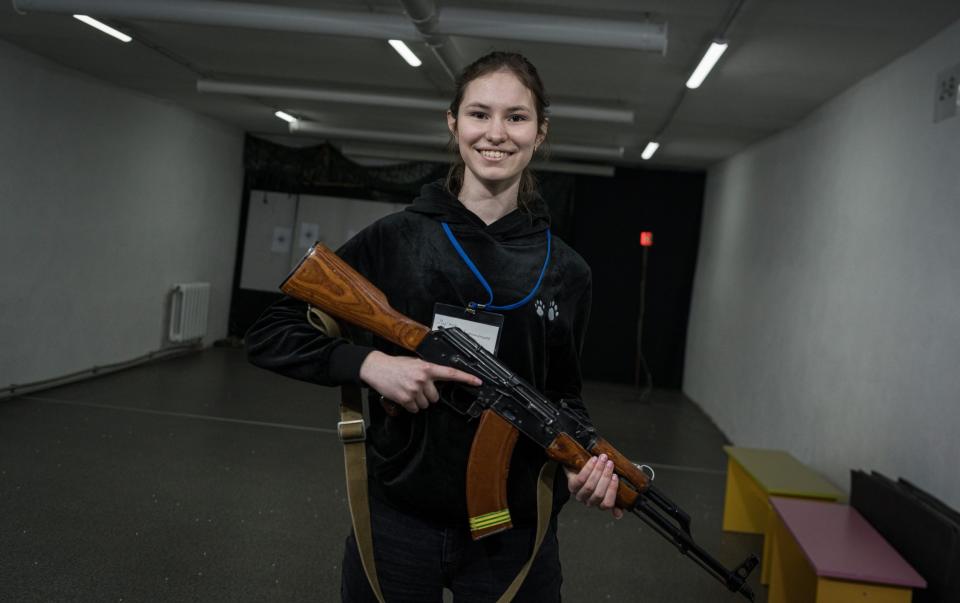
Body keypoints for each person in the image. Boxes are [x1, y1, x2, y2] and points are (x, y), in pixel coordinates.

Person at [246, 51, 622, 603]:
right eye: (479, 114)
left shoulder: (568, 271)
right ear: (453, 124)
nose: (496, 133)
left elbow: (563, 394)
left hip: (513, 530)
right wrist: (373, 364)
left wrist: (579, 465)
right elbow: (273, 329)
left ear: (540, 133)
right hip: (399, 519)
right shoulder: (395, 239)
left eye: (516, 117)